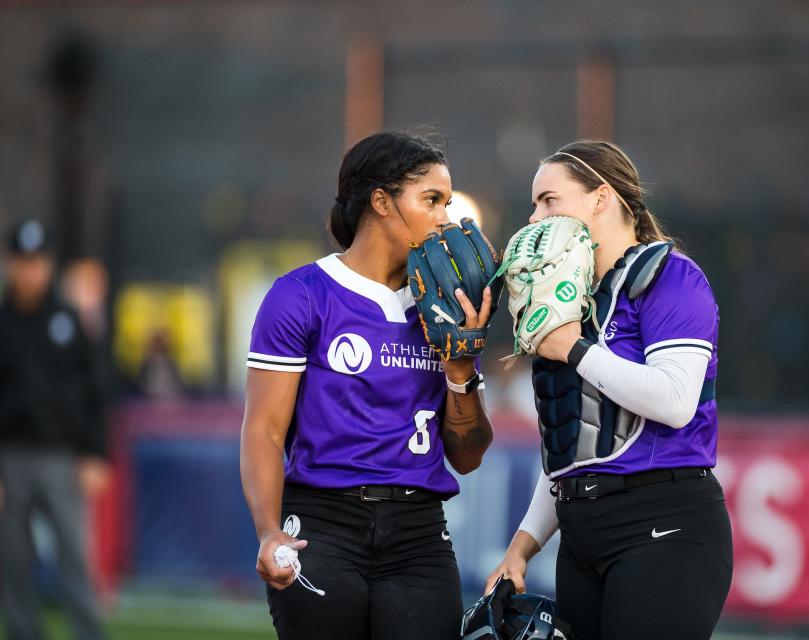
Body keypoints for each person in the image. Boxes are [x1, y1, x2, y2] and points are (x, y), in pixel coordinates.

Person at [240, 131, 495, 640]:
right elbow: (265, 431)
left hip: (419, 532)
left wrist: (461, 369)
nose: (445, 216)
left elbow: (467, 457)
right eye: (432, 200)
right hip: (323, 524)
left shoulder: (445, 306)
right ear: (380, 201)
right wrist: (269, 531)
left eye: (446, 201)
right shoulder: (301, 295)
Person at [486, 141, 733, 640]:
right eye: (534, 203)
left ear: (601, 199)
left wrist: (575, 350)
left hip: (664, 525)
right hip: (581, 539)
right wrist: (521, 548)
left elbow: (674, 401)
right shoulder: (568, 299)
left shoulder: (670, 277)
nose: (535, 218)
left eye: (550, 200)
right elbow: (573, 452)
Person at [0, 218, 109, 640]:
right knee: (12, 557)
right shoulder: (3, 322)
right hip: (10, 456)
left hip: (62, 456)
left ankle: (88, 632)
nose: (30, 271)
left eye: (37, 261)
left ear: (48, 265)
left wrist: (95, 453)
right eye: (22, 262)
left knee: (74, 555)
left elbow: (95, 389)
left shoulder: (68, 319)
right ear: (10, 264)